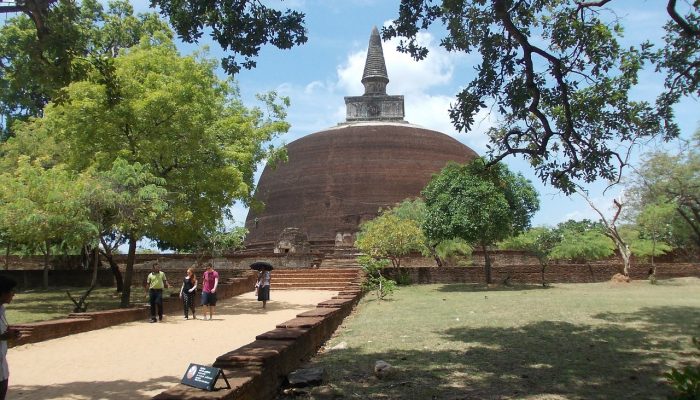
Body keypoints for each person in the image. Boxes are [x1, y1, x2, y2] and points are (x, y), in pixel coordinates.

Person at [0, 276, 21, 400]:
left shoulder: (2, 310)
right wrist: (3, 337)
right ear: (2, 293)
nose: (13, 294)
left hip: (2, 370)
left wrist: (9, 334)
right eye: (11, 291)